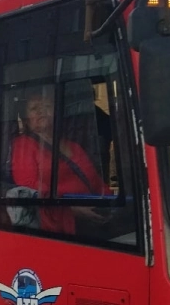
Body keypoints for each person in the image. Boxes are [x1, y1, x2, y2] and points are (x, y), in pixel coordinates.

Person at [10, 89, 110, 234]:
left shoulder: (74, 147)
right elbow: (29, 188)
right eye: (34, 108)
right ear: (26, 119)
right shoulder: (23, 145)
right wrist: (71, 210)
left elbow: (96, 182)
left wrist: (110, 202)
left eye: (47, 106)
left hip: (93, 219)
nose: (41, 111)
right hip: (57, 227)